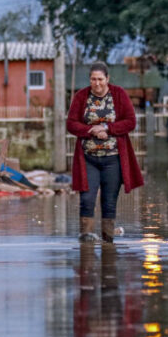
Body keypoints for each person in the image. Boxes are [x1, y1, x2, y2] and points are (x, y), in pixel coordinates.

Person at [66, 61, 144, 242]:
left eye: (100, 79)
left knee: (109, 202)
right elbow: (71, 123)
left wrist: (107, 129)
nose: (97, 83)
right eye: (93, 79)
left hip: (113, 159)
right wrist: (90, 130)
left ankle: (108, 240)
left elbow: (130, 121)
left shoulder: (119, 94)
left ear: (107, 79)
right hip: (88, 158)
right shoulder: (81, 97)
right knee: (87, 199)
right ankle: (86, 237)